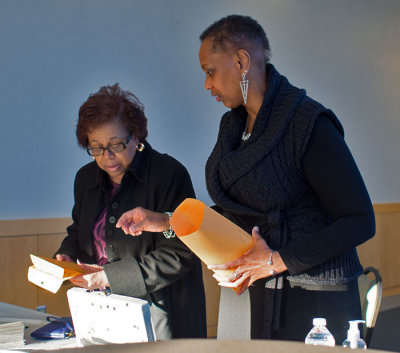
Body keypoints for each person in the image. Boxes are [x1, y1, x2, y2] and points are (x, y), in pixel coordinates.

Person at [117, 15, 375, 343]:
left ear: (241, 61)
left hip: (314, 297)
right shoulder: (233, 128)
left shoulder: (308, 124)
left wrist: (275, 260)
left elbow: (360, 221)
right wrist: (166, 221)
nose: (206, 85)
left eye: (210, 71)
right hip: (252, 287)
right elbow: (237, 212)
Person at [54, 83, 207, 340]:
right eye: (96, 148)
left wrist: (108, 277)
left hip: (163, 316)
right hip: (103, 311)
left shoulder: (168, 174)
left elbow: (179, 255)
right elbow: (78, 230)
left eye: (116, 145)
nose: (107, 157)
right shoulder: (85, 179)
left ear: (136, 137)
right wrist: (67, 254)